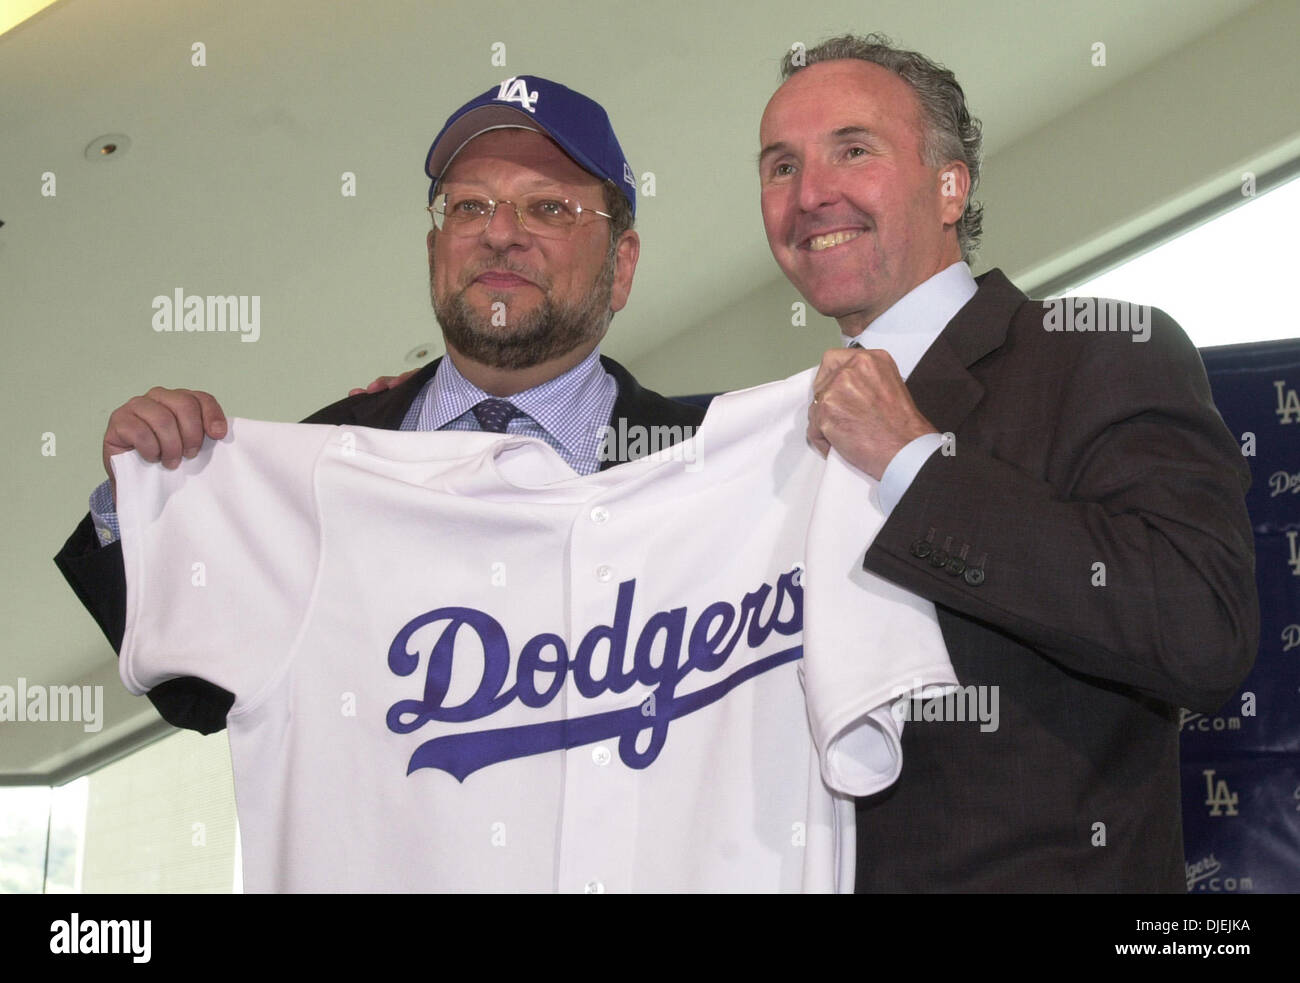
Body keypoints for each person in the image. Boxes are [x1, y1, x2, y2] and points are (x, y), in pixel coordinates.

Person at [757, 34, 1258, 891]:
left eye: (853, 149)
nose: (810, 194)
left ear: (951, 186)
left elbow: (1201, 625)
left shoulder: (1097, 353)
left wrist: (913, 460)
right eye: (779, 167)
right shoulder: (764, 443)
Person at [55, 76, 704, 734]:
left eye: (549, 209)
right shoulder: (311, 465)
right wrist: (139, 496)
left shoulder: (715, 469)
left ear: (621, 266)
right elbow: (196, 691)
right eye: (469, 207)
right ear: (435, 250)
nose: (500, 233)